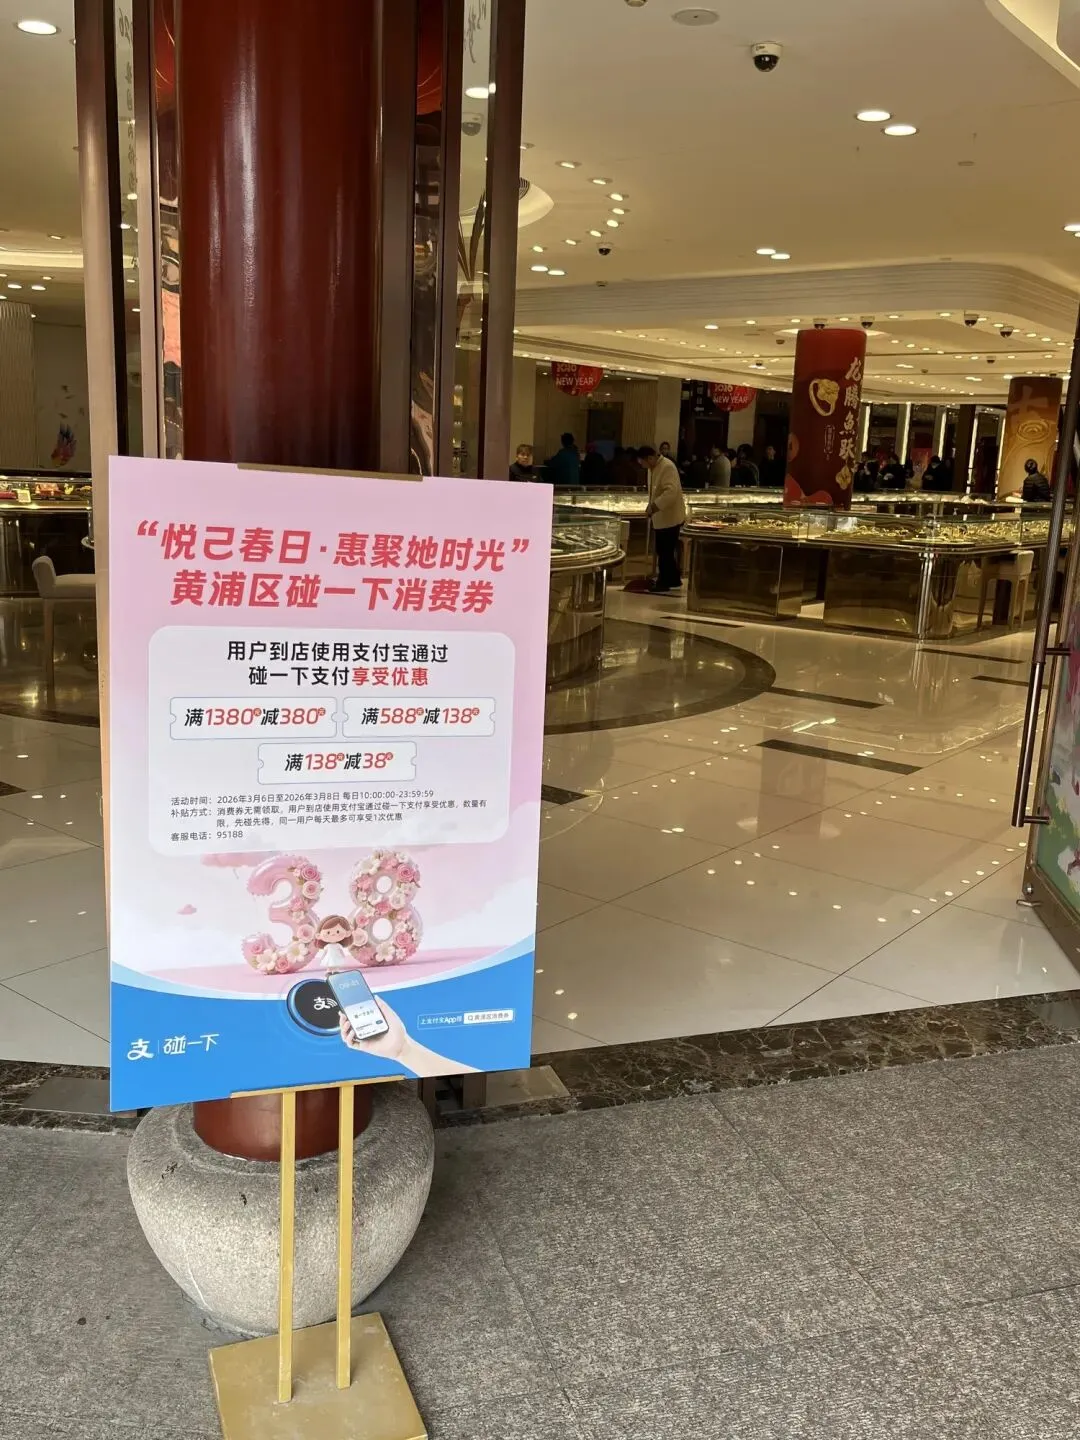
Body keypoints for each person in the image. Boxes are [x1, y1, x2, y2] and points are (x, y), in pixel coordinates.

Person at [638, 444, 687, 593]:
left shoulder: (667, 467)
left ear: (650, 458)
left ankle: (664, 581)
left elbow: (671, 492)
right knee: (664, 550)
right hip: (661, 516)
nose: (642, 466)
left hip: (670, 516)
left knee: (665, 550)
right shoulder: (652, 468)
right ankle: (673, 579)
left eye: (643, 462)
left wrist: (654, 506)